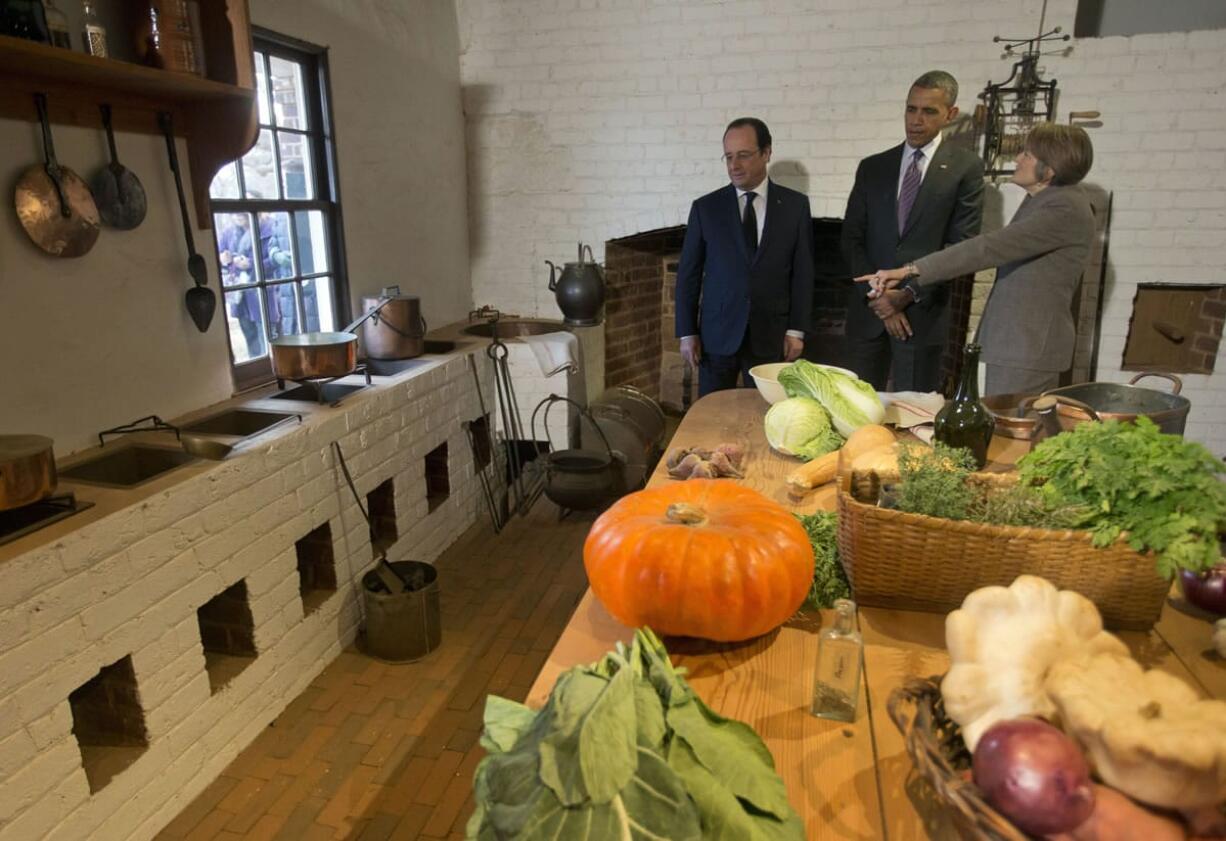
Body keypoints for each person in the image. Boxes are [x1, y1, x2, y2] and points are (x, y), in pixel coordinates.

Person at [857, 122, 1096, 396]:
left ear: (1050, 169)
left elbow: (987, 248)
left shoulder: (1063, 207)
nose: (1018, 159)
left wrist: (909, 270)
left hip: (1028, 347)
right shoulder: (1045, 200)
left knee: (1015, 433)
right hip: (1019, 345)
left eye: (1027, 155)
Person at [841, 70, 985, 392]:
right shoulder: (873, 167)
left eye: (928, 111)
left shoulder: (966, 169)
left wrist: (906, 296)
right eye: (911, 109)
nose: (916, 120)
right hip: (868, 317)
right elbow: (851, 238)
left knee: (914, 415)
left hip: (922, 317)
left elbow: (960, 248)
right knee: (856, 413)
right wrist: (880, 299)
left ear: (950, 114)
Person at [675, 117, 815, 396]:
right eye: (728, 157)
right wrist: (687, 332)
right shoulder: (706, 208)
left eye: (743, 155)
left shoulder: (795, 207)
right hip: (716, 337)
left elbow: (803, 274)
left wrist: (796, 330)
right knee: (712, 417)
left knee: (766, 415)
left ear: (766, 153)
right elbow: (688, 274)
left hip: (770, 336)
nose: (734, 166)